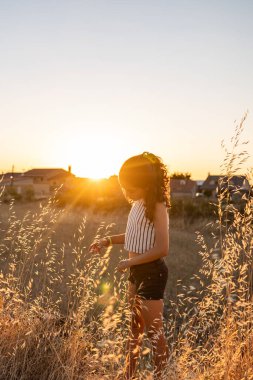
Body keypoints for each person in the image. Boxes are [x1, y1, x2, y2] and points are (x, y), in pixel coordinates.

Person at [89, 152, 170, 379]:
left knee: (154, 333)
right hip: (135, 270)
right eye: (124, 188)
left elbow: (163, 248)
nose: (127, 193)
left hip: (152, 272)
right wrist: (108, 240)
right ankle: (129, 375)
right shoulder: (137, 204)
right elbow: (133, 235)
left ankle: (160, 376)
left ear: (146, 184)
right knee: (134, 328)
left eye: (132, 189)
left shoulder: (158, 206)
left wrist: (130, 261)